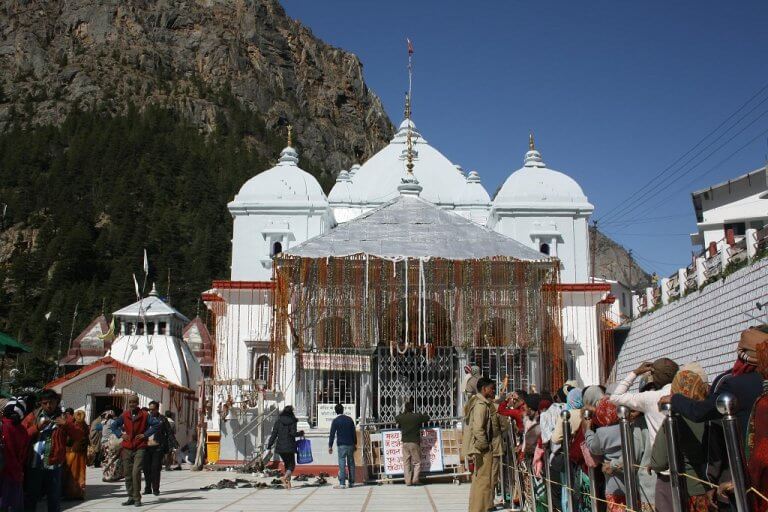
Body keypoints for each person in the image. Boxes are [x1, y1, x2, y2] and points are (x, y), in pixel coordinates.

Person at [651, 370, 710, 511]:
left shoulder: (674, 418)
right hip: (718, 489)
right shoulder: (712, 411)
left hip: (690, 492)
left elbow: (659, 462)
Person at [22, 389, 85, 512]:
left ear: (57, 402)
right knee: (31, 498)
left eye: (51, 402)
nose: (48, 406)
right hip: (34, 464)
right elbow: (22, 436)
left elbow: (79, 435)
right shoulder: (33, 416)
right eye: (45, 403)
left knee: (54, 499)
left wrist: (66, 424)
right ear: (40, 403)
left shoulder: (65, 417)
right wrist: (37, 428)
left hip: (54, 465)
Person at [610, 358, 679, 446]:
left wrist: (636, 372)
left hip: (661, 455)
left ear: (655, 375)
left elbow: (615, 397)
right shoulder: (688, 392)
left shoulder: (650, 398)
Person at [110, 395, 160, 507]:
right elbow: (114, 426)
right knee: (127, 473)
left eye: (134, 402)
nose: (132, 404)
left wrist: (145, 434)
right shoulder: (125, 415)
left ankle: (137, 498)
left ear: (137, 403)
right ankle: (130, 497)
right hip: (127, 447)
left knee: (136, 472)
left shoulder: (145, 415)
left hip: (140, 447)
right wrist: (120, 435)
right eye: (130, 402)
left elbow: (157, 424)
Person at [467, 377, 498, 512]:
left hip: (481, 447)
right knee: (484, 481)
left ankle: (479, 507)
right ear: (484, 389)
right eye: (491, 388)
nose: (493, 391)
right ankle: (479, 508)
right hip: (483, 449)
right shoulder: (481, 405)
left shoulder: (481, 403)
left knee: (480, 480)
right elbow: (478, 428)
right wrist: (484, 445)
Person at [0, 399, 29, 512]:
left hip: (3, 472)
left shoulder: (2, 426)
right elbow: (23, 454)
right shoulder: (23, 431)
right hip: (16, 474)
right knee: (14, 504)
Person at [266, 405, 304, 490]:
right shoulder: (293, 421)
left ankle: (288, 483)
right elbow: (293, 433)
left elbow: (274, 434)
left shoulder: (278, 421)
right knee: (292, 465)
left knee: (287, 465)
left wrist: (269, 446)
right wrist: (301, 433)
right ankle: (284, 477)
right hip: (289, 446)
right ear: (291, 412)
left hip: (280, 447)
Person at [395, 402, 429, 487]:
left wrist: (403, 413)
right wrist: (422, 414)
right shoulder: (416, 416)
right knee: (417, 462)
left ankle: (408, 481)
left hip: (405, 442)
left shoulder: (402, 417)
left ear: (405, 408)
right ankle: (415, 480)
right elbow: (427, 418)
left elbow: (396, 418)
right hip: (414, 442)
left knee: (406, 462)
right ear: (413, 408)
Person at [142, 401, 169, 496]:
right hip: (146, 447)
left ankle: (156, 489)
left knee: (155, 468)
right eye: (150, 409)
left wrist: (171, 445)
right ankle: (148, 488)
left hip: (158, 447)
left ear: (157, 409)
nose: (151, 411)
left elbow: (168, 432)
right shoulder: (146, 419)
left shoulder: (162, 419)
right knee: (146, 469)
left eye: (153, 409)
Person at [328, 403, 357, 489]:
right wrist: (355, 443)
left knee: (342, 463)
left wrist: (330, 445)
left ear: (335, 411)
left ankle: (342, 483)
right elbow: (353, 433)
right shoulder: (350, 420)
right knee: (351, 463)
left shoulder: (336, 421)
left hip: (341, 445)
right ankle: (352, 482)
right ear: (343, 410)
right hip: (350, 444)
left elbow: (332, 434)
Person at [62, 409, 89, 500]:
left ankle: (71, 494)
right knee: (80, 473)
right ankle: (79, 493)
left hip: (72, 452)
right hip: (82, 453)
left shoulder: (75, 426)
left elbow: (69, 441)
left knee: (72, 474)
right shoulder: (85, 426)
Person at [101, 410, 123, 482]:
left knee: (108, 459)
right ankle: (109, 475)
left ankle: (107, 475)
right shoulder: (112, 422)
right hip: (110, 443)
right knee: (112, 460)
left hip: (104, 443)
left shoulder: (104, 422)